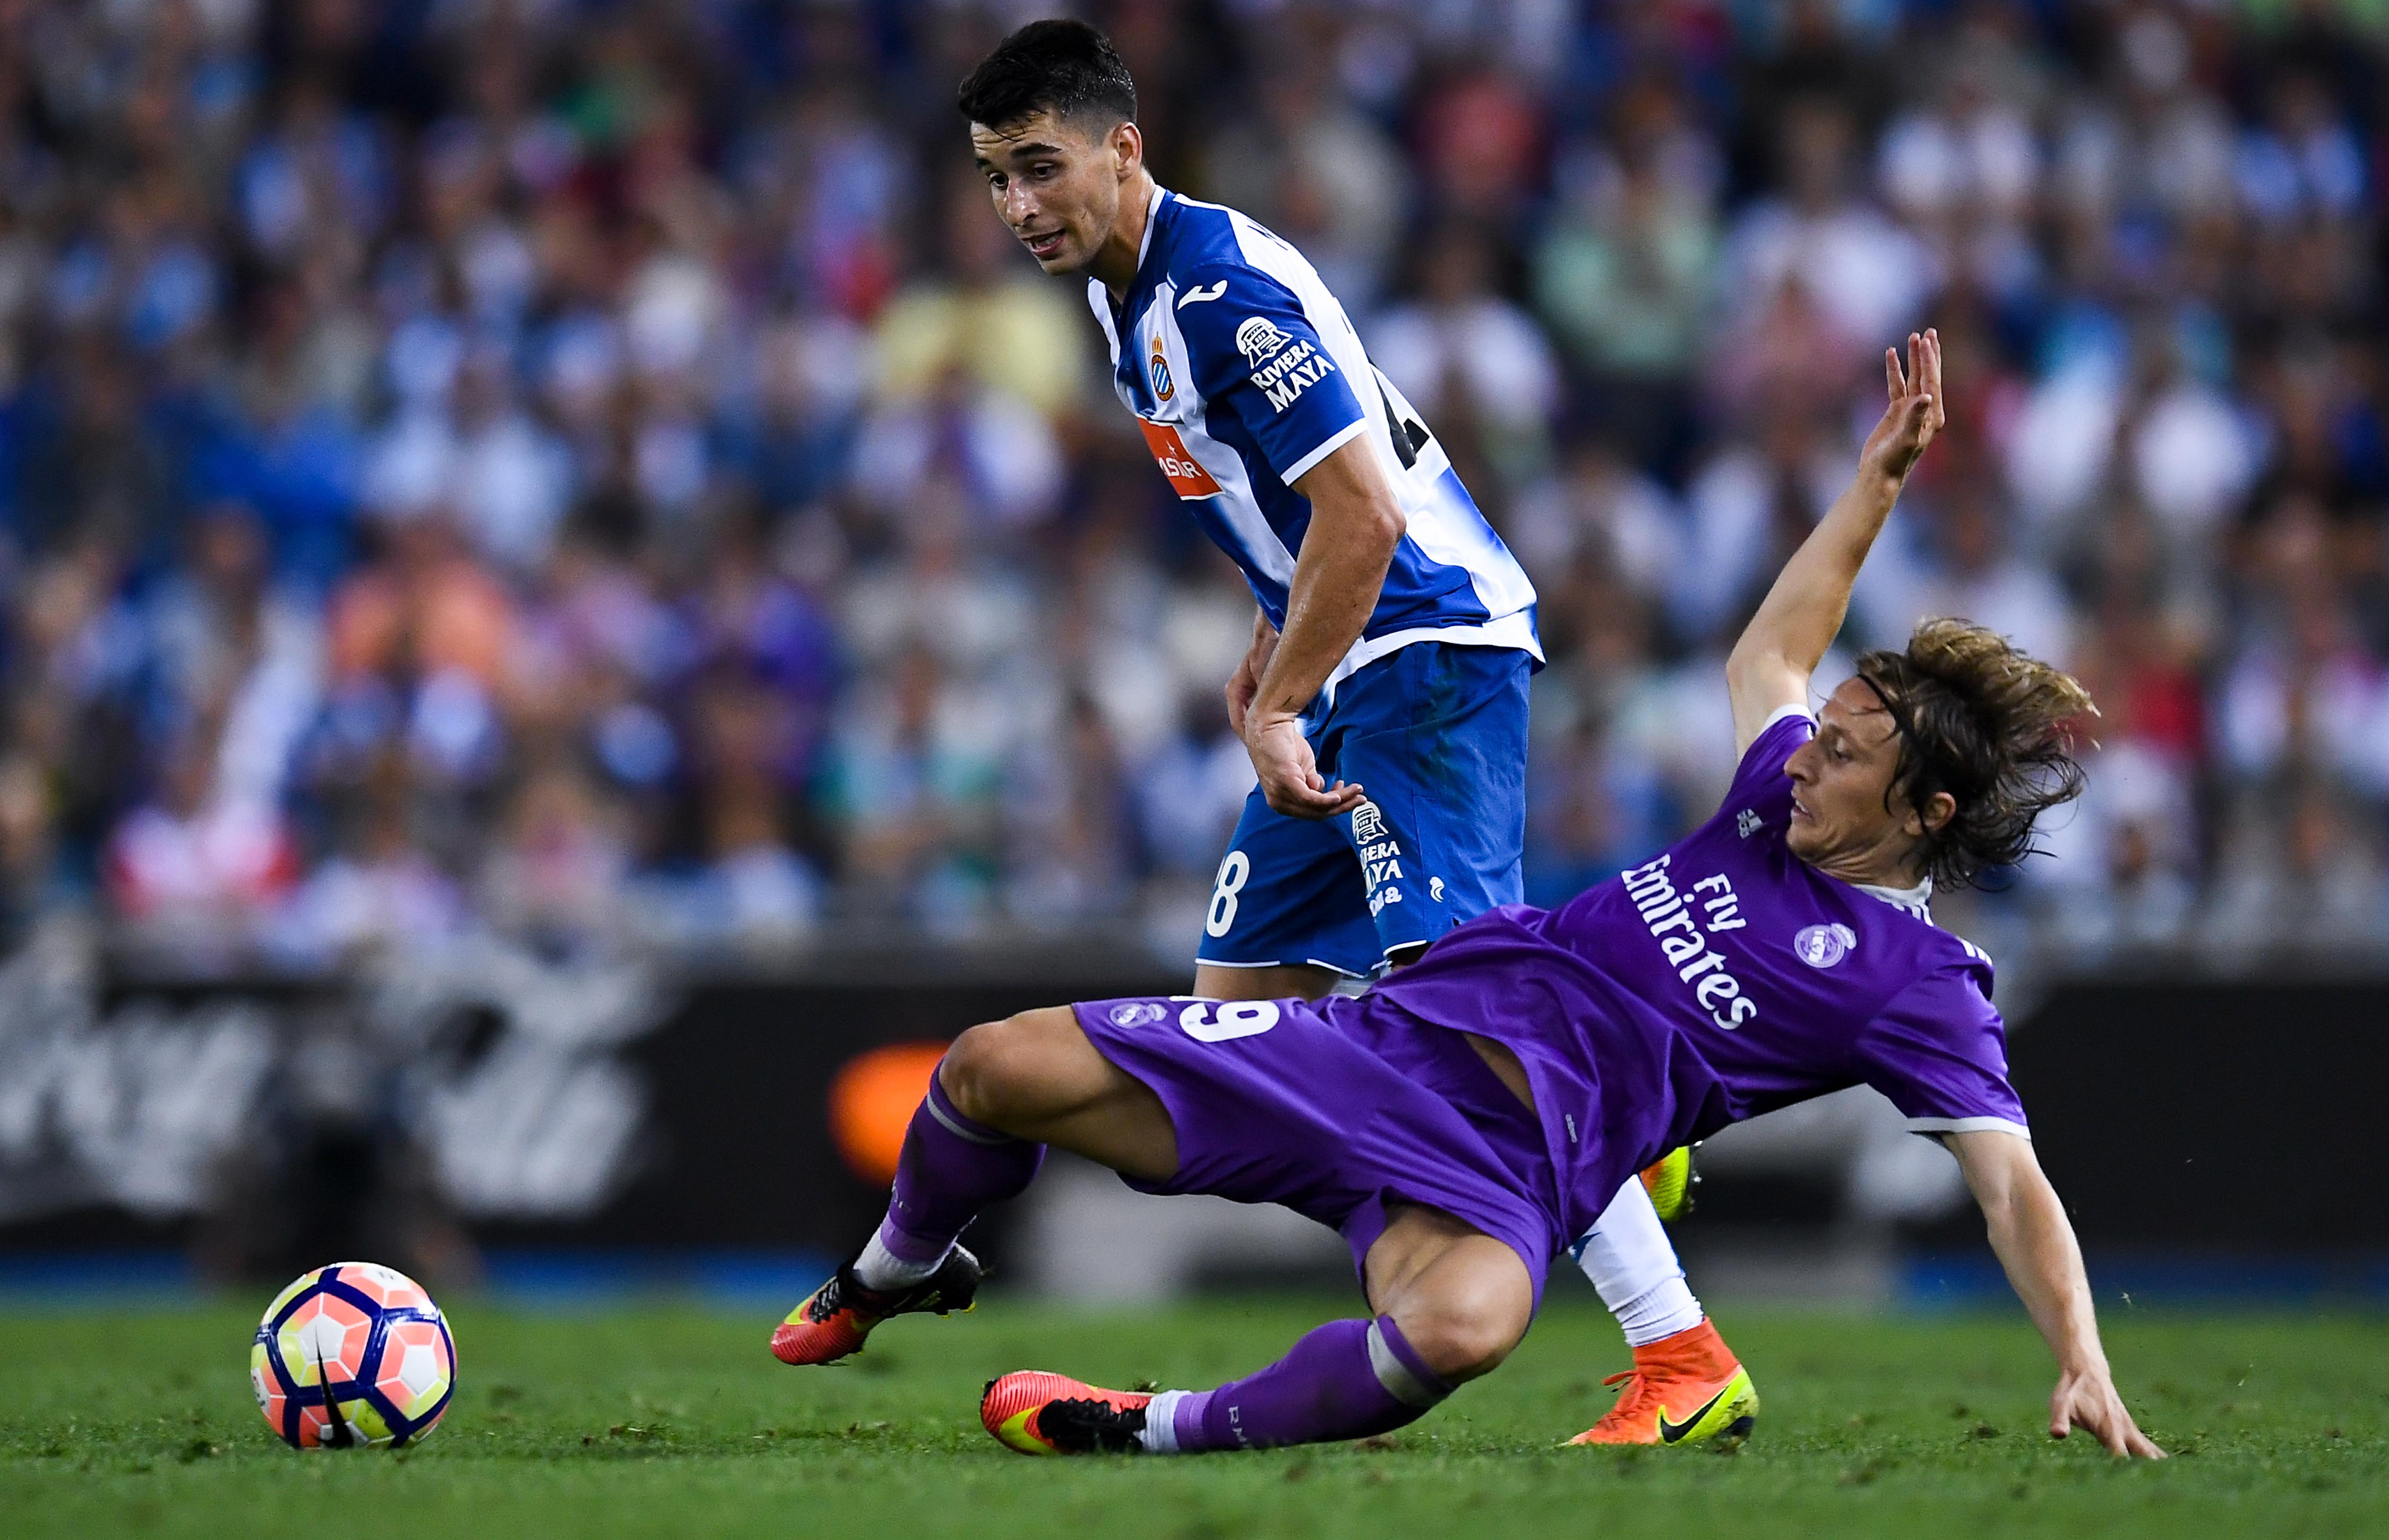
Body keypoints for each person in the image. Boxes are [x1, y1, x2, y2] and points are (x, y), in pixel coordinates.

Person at [774, 322, 2164, 1461]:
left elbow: (2012, 1190)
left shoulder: (1916, 988)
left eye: (1849, 757)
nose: (1811, 759)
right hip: (1377, 1044)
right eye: (1827, 736)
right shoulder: (1768, 803)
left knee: (1461, 1334)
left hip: (1509, 1170)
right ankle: (899, 1264)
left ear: (1921, 815)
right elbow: (1775, 654)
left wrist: (2083, 1362)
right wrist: (1874, 485)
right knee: (987, 1066)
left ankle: (1140, 1430)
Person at [768, 18, 1747, 1438]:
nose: (1018, 207)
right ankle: (1513, 1184)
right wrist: (1271, 640)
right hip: (1348, 655)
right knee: (1244, 1013)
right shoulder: (1121, 298)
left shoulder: (1218, 296)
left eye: (1040, 169)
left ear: (1123, 146)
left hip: (1424, 654)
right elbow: (1289, 511)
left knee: (1473, 1024)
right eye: (992, 179)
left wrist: (1288, 686)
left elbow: (1360, 509)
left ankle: (1676, 1345)